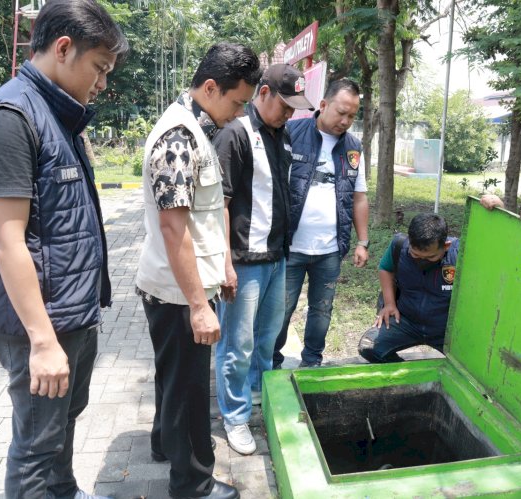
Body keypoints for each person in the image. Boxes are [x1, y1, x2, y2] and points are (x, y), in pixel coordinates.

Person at [0, 1, 128, 498]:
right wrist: (42, 341)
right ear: (62, 49)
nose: (101, 84)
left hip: (69, 315)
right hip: (41, 324)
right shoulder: (11, 117)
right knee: (37, 445)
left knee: (60, 429)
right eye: (99, 69)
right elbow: (5, 238)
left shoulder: (57, 114)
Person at [135, 42, 261, 499]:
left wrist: (223, 267)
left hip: (179, 288)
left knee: (174, 377)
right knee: (190, 391)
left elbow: (203, 217)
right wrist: (198, 306)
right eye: (238, 101)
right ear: (211, 87)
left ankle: (164, 445)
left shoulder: (197, 127)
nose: (241, 112)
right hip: (176, 294)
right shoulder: (179, 138)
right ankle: (194, 485)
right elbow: (174, 227)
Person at [212, 64, 314, 455]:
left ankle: (259, 396)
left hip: (277, 257)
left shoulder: (282, 135)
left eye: (294, 108)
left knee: (268, 340)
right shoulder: (236, 132)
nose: (289, 113)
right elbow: (219, 203)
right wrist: (224, 263)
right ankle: (235, 417)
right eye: (285, 105)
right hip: (244, 258)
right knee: (236, 344)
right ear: (264, 93)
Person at [272, 78, 369, 369]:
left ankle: (312, 362)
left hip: (329, 250)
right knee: (281, 309)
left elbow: (359, 197)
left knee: (321, 310)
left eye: (352, 115)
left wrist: (362, 241)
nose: (345, 120)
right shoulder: (291, 132)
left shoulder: (353, 147)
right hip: (291, 246)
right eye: (341, 112)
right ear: (324, 105)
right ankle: (272, 362)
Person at [358, 195, 504, 363]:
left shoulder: (461, 254)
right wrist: (390, 304)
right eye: (415, 254)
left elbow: (495, 245)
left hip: (446, 330)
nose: (421, 260)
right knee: (369, 348)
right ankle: (411, 379)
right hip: (407, 322)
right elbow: (386, 269)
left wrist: (500, 208)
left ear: (446, 246)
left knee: (474, 365)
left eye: (430, 257)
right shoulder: (399, 245)